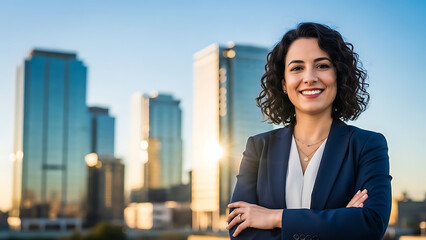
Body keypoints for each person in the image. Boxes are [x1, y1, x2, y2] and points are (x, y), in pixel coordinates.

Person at [226, 22, 392, 240]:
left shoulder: (367, 145)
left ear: (338, 74)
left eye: (322, 65)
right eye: (296, 68)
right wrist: (340, 221)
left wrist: (276, 218)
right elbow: (240, 231)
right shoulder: (258, 148)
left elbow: (370, 225)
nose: (310, 77)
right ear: (284, 83)